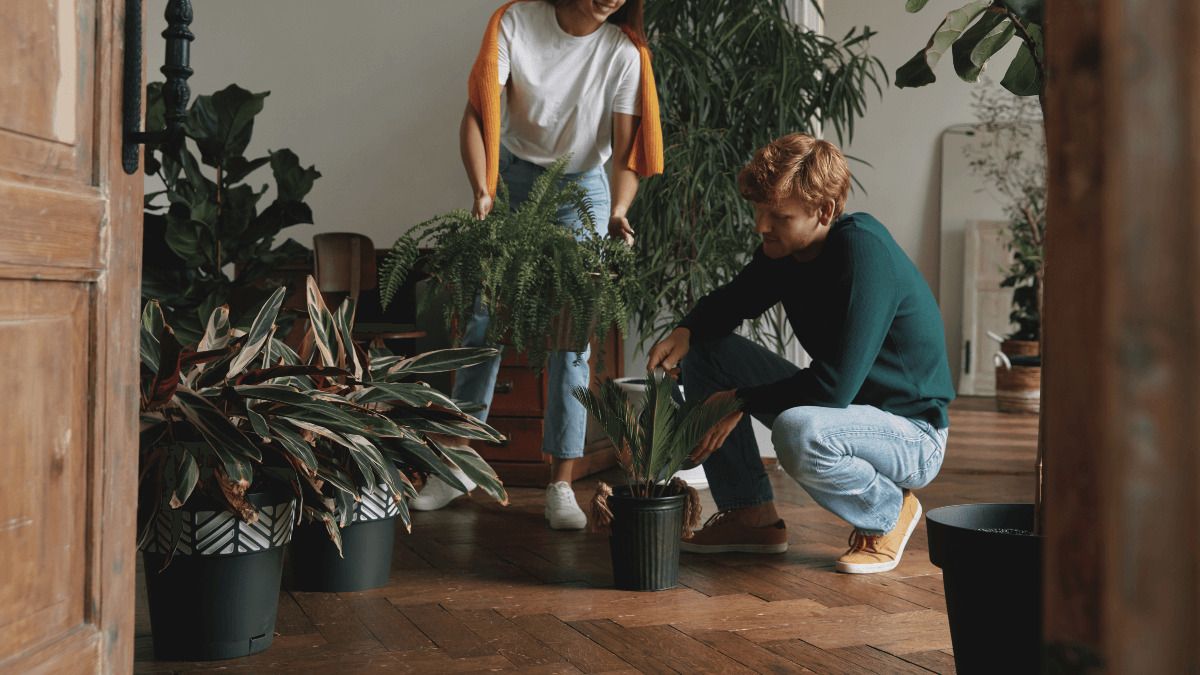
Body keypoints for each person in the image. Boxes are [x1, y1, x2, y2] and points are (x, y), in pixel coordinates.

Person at [646, 133, 954, 573]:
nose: (761, 226)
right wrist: (686, 330)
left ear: (824, 211)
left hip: (912, 435)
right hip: (849, 415)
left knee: (797, 430)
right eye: (758, 210)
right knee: (705, 351)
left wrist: (741, 400)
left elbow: (834, 387)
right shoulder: (787, 252)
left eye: (778, 215)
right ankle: (750, 516)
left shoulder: (863, 251)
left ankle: (887, 512)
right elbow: (735, 300)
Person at [411, 0, 664, 529]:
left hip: (584, 189)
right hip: (511, 174)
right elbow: (479, 118)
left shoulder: (622, 53)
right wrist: (482, 191)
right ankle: (458, 464)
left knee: (571, 335)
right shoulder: (516, 23)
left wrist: (618, 210)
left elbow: (623, 153)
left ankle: (561, 485)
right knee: (483, 318)